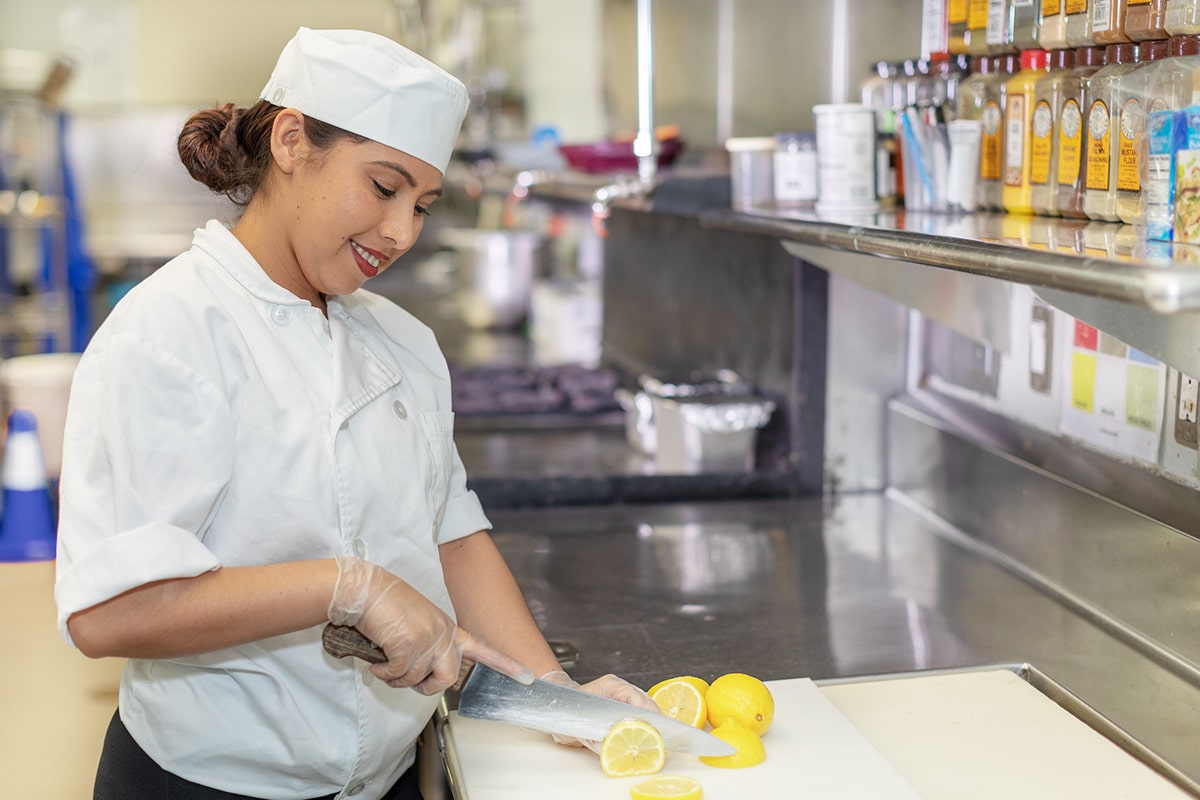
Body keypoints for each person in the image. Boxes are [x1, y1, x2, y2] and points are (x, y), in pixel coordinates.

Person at [54, 27, 656, 800]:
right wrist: (350, 587)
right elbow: (109, 613)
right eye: (383, 187)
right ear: (292, 140)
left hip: (388, 780)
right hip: (208, 784)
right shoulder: (170, 331)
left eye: (423, 205)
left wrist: (555, 695)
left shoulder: (400, 341)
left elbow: (451, 535)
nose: (402, 232)